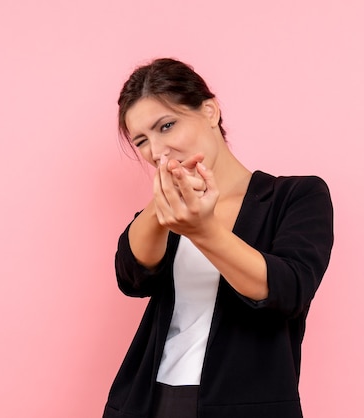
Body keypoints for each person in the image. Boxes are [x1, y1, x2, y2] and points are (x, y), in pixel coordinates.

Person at [103, 58, 334, 418]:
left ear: (209, 111)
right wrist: (162, 205)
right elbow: (131, 276)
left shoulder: (295, 196)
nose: (157, 151)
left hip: (247, 405)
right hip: (150, 402)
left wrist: (204, 230)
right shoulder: (168, 213)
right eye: (142, 141)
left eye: (167, 125)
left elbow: (288, 291)